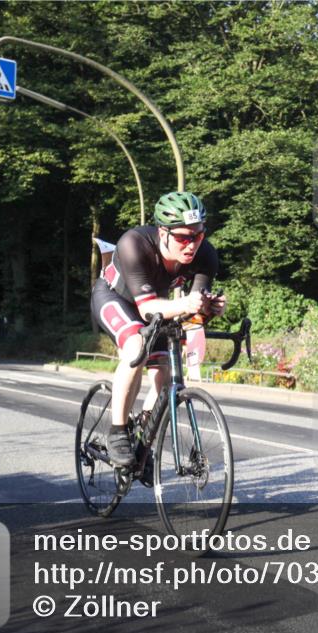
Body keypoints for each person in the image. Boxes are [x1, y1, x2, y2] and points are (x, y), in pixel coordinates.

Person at [90, 191, 226, 466]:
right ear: (162, 233)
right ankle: (117, 432)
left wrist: (207, 310)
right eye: (183, 238)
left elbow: (191, 314)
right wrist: (188, 303)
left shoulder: (206, 255)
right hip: (116, 298)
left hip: (161, 308)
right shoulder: (134, 243)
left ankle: (143, 433)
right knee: (136, 347)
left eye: (198, 236)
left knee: (165, 373)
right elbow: (146, 310)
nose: (191, 245)